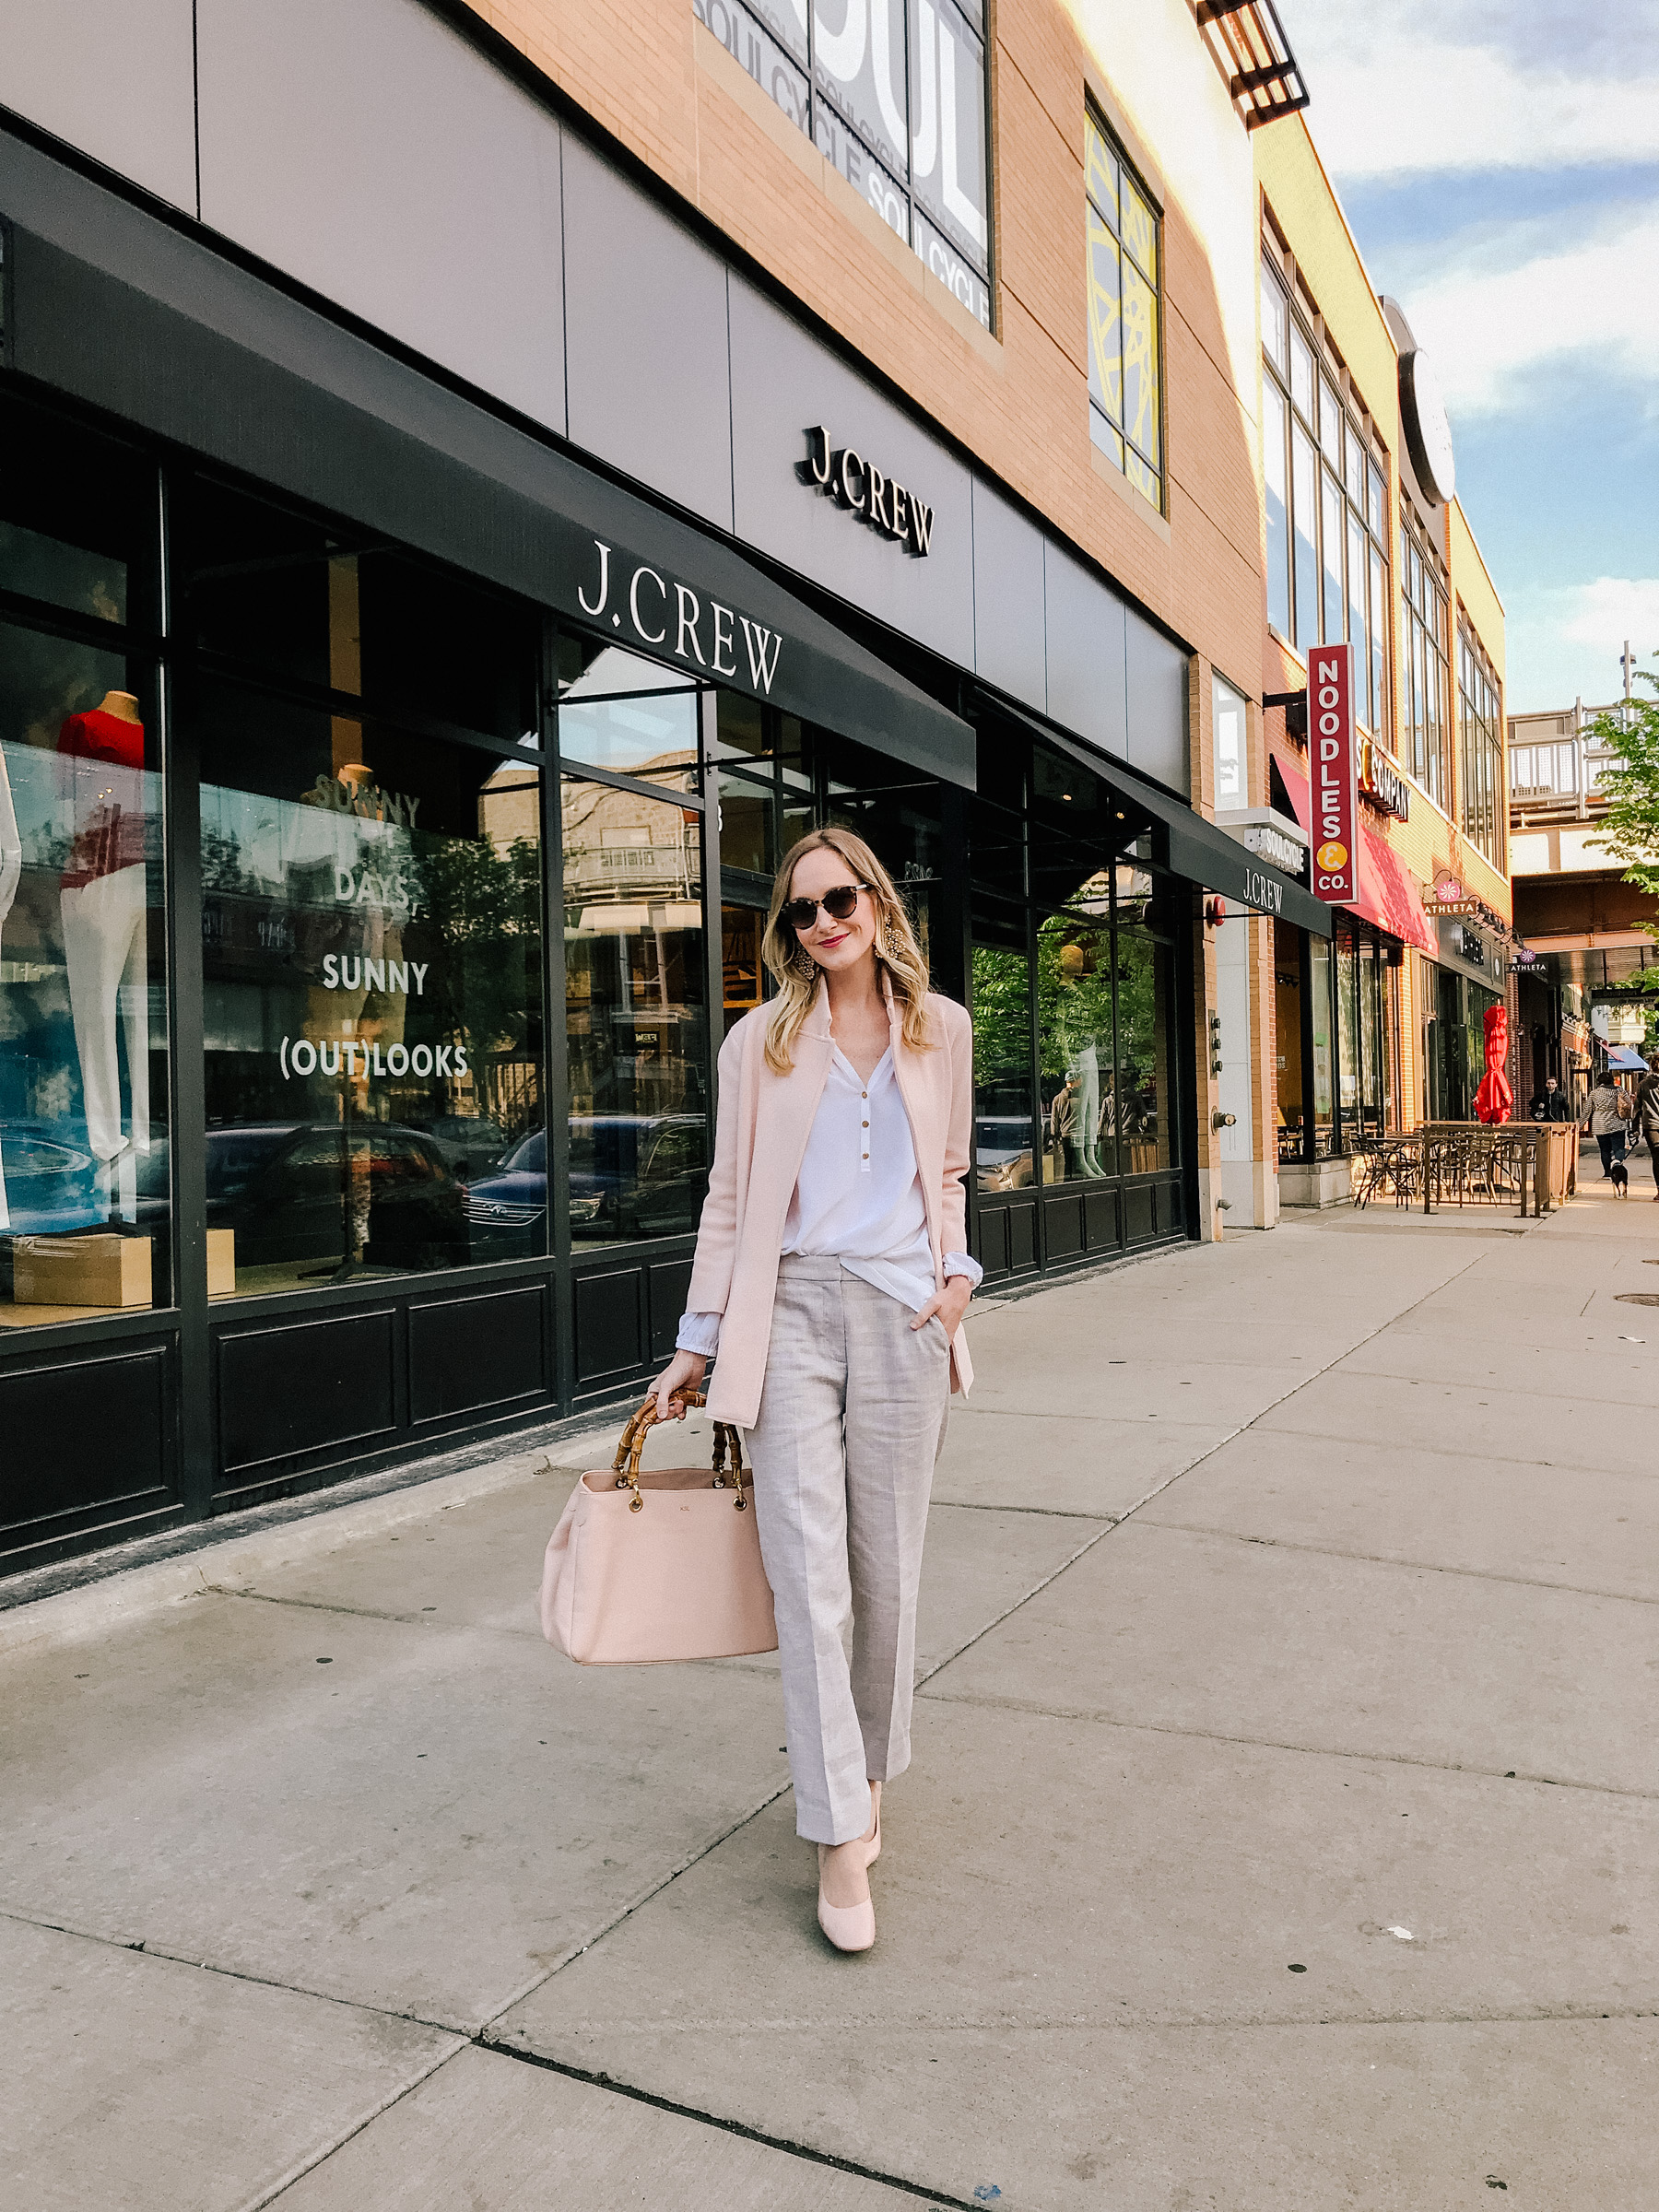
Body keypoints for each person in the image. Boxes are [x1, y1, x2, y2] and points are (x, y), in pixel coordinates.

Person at [650, 828, 979, 1954]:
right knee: (809, 1579)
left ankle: (870, 1773)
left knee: (887, 1571)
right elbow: (731, 1200)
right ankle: (839, 1831)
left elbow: (946, 1172)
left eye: (842, 899)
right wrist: (699, 1342)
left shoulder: (944, 1031)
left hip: (899, 1315)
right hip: (786, 1315)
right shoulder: (763, 1042)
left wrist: (957, 1281)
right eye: (802, 910)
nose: (824, 920)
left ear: (879, 902)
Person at [1582, 1065, 1632, 1180]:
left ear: (1599, 1081)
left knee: (1605, 1149)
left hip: (1600, 1124)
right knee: (1619, 1148)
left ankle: (1607, 1172)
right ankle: (1617, 1165)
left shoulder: (1594, 1093)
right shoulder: (1619, 1091)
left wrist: (1579, 1124)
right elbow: (1629, 1104)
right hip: (1617, 1123)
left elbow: (1587, 1110)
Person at [1635, 1053, 1659, 1201]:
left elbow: (1637, 1107)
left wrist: (1634, 1127)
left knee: (1657, 1158)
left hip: (1651, 1125)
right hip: (1651, 1124)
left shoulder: (1643, 1084)